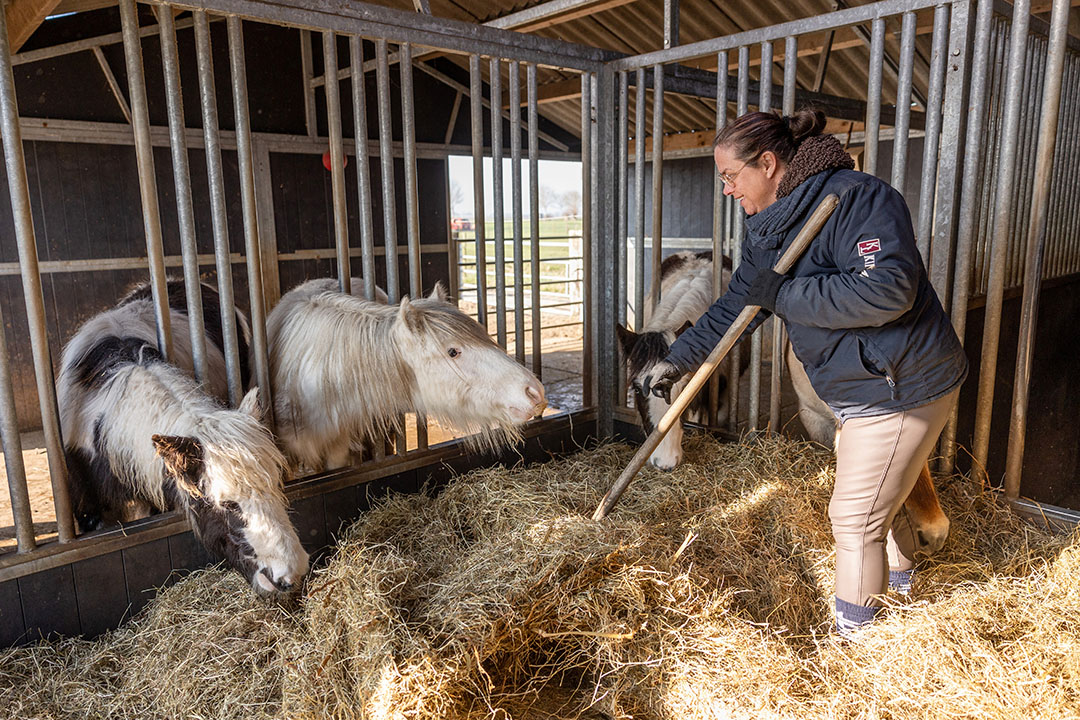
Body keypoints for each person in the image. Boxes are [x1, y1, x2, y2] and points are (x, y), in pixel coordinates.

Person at [634, 109, 968, 639]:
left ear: (767, 163)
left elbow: (889, 290)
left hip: (899, 384)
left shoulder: (859, 199)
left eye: (730, 177)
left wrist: (785, 295)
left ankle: (858, 637)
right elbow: (737, 306)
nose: (726, 190)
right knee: (886, 497)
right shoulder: (768, 225)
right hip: (860, 384)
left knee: (854, 520)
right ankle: (900, 594)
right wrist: (675, 361)